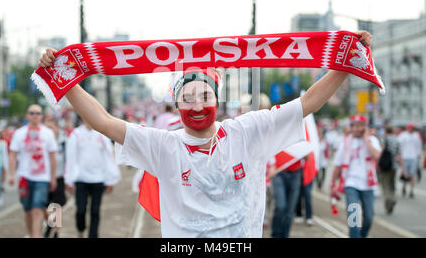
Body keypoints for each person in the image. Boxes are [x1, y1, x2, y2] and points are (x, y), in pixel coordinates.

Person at [39, 31, 373, 237]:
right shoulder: (163, 145)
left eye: (204, 97)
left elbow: (306, 103)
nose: (197, 106)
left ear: (217, 99)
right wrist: (66, 79)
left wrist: (345, 62)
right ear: (176, 104)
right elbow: (103, 121)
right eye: (187, 99)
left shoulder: (248, 131)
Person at [64, 120, 121, 238]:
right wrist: (68, 179)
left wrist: (110, 179)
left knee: (95, 211)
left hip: (98, 179)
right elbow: (70, 157)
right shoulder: (76, 134)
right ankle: (81, 228)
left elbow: (109, 157)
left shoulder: (101, 134)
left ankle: (93, 235)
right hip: (81, 179)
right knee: (81, 210)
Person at [8, 105, 58, 238]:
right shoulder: (19, 133)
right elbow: (12, 154)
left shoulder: (47, 133)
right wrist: (11, 174)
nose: (35, 115)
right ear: (27, 115)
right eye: (32, 113)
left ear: (41, 116)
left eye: (38, 113)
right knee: (28, 210)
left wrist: (53, 177)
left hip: (42, 178)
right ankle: (32, 234)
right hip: (24, 176)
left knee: (38, 208)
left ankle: (37, 235)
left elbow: (53, 157)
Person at [330, 115, 381, 238]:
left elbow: (377, 156)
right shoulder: (345, 143)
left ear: (365, 127)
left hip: (368, 185)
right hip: (351, 184)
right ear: (351, 127)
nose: (358, 128)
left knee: (369, 217)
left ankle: (362, 235)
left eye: (361, 126)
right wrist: (332, 184)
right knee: (353, 217)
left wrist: (366, 139)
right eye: (355, 126)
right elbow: (337, 165)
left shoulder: (372, 141)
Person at [43, 117, 68, 238]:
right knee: (43, 207)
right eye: (46, 128)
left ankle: (56, 233)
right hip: (43, 178)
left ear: (57, 128)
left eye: (51, 128)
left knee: (57, 206)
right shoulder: (42, 140)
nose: (48, 131)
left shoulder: (64, 141)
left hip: (59, 177)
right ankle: (50, 225)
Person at [377, 125, 402, 215]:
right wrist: (402, 167)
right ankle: (393, 198)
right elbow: (399, 155)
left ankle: (390, 201)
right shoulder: (397, 140)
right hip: (394, 166)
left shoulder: (385, 139)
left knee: (385, 185)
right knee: (392, 185)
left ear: (386, 132)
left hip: (386, 165)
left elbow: (381, 151)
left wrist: (378, 163)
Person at [397, 123, 422, 198]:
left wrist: (418, 155)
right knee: (405, 174)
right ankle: (404, 186)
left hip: (414, 157)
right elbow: (399, 145)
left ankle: (411, 190)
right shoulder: (403, 135)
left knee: (413, 174)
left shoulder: (416, 135)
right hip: (405, 157)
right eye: (410, 128)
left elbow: (419, 146)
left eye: (412, 128)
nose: (411, 129)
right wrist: (399, 155)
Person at [316, 125, 329, 191]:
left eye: (321, 134)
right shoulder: (316, 141)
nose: (320, 135)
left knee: (324, 174)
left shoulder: (325, 142)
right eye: (319, 134)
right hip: (317, 160)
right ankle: (318, 185)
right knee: (317, 174)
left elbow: (327, 151)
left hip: (323, 160)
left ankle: (320, 185)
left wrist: (327, 158)